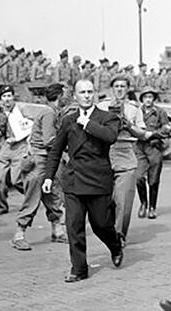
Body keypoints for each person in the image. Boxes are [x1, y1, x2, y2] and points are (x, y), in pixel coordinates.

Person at [43, 79, 123, 282]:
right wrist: (48, 177)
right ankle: (79, 269)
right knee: (74, 226)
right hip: (74, 180)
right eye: (82, 92)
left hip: (98, 179)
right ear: (75, 96)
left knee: (101, 225)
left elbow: (110, 136)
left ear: (94, 94)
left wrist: (88, 124)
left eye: (90, 91)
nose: (86, 96)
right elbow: (56, 150)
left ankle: (115, 245)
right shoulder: (68, 120)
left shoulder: (108, 117)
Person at [11, 83, 67, 251]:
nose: (67, 98)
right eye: (65, 95)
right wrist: (67, 147)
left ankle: (57, 230)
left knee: (53, 195)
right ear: (59, 96)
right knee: (33, 198)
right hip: (40, 161)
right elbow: (49, 140)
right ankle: (19, 234)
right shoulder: (49, 113)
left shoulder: (49, 111)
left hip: (46, 160)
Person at [98, 75, 152, 247]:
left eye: (123, 86)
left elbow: (142, 133)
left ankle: (119, 235)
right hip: (104, 153)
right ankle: (108, 230)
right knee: (105, 201)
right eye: (116, 86)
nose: (119, 89)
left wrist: (128, 125)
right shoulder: (101, 107)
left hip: (125, 151)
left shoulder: (134, 109)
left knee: (124, 199)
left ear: (128, 89)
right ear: (111, 88)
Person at [135, 87, 171, 219]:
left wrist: (154, 134)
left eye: (150, 97)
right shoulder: (137, 111)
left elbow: (166, 128)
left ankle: (152, 207)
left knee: (153, 179)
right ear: (142, 99)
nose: (148, 100)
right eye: (145, 97)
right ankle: (143, 203)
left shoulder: (160, 112)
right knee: (138, 177)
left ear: (154, 99)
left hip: (155, 147)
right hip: (139, 147)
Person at [0, 86, 28, 215]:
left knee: (16, 179)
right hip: (4, 147)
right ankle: (2, 206)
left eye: (9, 96)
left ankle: (33, 196)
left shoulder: (21, 110)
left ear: (13, 97)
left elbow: (29, 127)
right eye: (4, 96)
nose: (7, 99)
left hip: (19, 146)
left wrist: (18, 138)